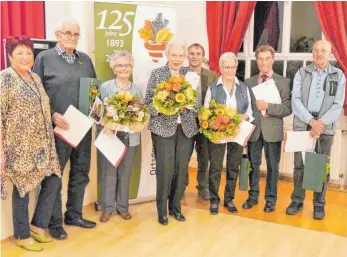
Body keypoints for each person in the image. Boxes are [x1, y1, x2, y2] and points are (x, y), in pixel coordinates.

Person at [32, 17, 97, 240]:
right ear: (58, 35)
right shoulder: (44, 58)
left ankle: (74, 215)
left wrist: (97, 114)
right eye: (67, 33)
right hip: (57, 128)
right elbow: (35, 95)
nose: (71, 37)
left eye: (76, 34)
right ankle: (55, 222)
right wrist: (51, 116)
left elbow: (93, 93)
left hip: (83, 127)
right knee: (54, 177)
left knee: (80, 172)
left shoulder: (85, 60)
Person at [0, 36, 61, 251]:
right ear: (9, 56)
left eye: (28, 52)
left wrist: (53, 118)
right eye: (20, 53)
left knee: (53, 179)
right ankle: (22, 235)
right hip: (19, 145)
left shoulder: (35, 77)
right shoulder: (5, 79)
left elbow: (43, 106)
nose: (26, 57)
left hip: (43, 144)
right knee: (23, 189)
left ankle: (38, 225)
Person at [287, 40, 346, 220]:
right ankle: (297, 201)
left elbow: (337, 105)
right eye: (316, 50)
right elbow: (295, 100)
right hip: (303, 124)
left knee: (320, 167)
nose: (319, 54)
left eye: (323, 51)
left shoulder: (338, 75)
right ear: (312, 53)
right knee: (300, 166)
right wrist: (311, 121)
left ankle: (319, 204)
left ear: (330, 54)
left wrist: (319, 123)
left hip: (324, 128)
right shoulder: (301, 72)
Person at [144, 42, 200, 225]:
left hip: (186, 128)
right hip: (162, 129)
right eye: (173, 55)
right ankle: (162, 212)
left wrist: (187, 104)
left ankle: (176, 208)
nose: (177, 59)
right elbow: (148, 104)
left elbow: (197, 103)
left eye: (180, 56)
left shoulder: (190, 75)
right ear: (167, 55)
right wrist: (163, 107)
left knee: (180, 170)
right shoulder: (157, 74)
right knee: (165, 170)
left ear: (184, 57)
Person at [205, 52, 254, 214]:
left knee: (234, 166)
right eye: (227, 67)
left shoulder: (243, 87)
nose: (230, 70)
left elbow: (250, 111)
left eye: (233, 67)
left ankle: (229, 199)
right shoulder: (213, 88)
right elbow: (206, 112)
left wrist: (243, 116)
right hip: (218, 134)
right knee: (216, 167)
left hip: (237, 133)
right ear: (220, 68)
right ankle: (214, 199)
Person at [244, 44, 291, 213]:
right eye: (260, 59)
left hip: (273, 132)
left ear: (273, 60)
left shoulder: (283, 81)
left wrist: (268, 106)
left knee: (273, 167)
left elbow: (287, 108)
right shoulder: (249, 82)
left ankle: (271, 200)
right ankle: (252, 197)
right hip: (254, 132)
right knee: (253, 166)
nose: (264, 62)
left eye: (267, 58)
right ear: (257, 60)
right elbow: (246, 109)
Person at [97, 50, 141, 223]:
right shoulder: (106, 87)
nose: (124, 68)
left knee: (125, 172)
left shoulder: (137, 89)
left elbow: (141, 115)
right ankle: (107, 208)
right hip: (110, 136)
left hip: (130, 137)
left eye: (127, 65)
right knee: (109, 172)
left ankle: (123, 207)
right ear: (113, 68)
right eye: (120, 65)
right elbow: (99, 112)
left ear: (131, 68)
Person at [186, 43, 217, 201]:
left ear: (203, 56)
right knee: (183, 156)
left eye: (198, 53)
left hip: (205, 124)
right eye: (192, 53)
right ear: (187, 56)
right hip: (185, 122)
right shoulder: (181, 74)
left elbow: (215, 98)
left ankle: (202, 187)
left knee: (204, 157)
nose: (195, 56)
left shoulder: (211, 76)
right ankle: (181, 186)